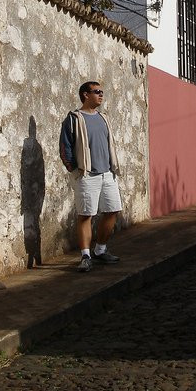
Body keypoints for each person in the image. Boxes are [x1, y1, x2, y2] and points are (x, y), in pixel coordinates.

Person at [59, 80, 122, 272]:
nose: (101, 95)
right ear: (86, 95)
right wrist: (74, 169)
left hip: (108, 174)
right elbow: (65, 147)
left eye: (102, 92)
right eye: (97, 92)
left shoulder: (104, 118)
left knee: (112, 211)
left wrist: (112, 168)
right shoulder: (73, 118)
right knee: (86, 215)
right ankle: (85, 256)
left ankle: (100, 250)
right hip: (86, 174)